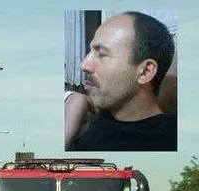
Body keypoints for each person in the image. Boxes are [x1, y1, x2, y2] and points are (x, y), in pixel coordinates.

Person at [70, 12, 177, 151]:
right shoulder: (111, 109)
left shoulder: (167, 143)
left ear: (145, 72)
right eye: (90, 52)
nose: (84, 65)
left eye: (101, 54)